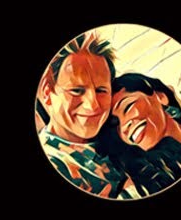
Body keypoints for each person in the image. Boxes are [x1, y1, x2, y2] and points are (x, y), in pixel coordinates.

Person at [36, 32, 134, 198]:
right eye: (77, 91)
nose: (92, 104)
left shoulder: (120, 134)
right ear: (47, 91)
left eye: (101, 91)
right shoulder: (54, 160)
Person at [98, 73, 181, 197]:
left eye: (128, 107)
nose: (124, 127)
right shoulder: (138, 190)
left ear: (160, 97)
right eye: (116, 124)